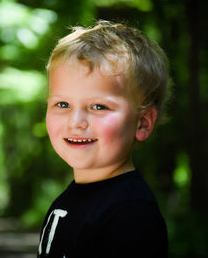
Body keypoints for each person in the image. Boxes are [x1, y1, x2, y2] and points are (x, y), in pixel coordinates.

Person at [38, 20, 170, 258]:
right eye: (63, 104)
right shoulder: (69, 201)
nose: (76, 121)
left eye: (99, 106)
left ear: (142, 123)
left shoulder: (131, 214)